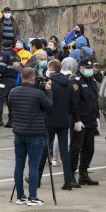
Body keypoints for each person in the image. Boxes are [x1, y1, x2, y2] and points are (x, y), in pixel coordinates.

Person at [10, 67, 52, 205]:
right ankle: (32, 197)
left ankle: (20, 196)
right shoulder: (38, 94)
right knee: (33, 166)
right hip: (35, 133)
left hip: (19, 132)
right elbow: (50, 108)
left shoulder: (13, 92)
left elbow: (11, 109)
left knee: (19, 165)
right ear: (33, 78)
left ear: (21, 77)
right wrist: (49, 92)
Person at [36, 60, 75, 190]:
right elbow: (73, 104)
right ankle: (68, 181)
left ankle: (37, 180)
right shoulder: (68, 83)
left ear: (51, 68)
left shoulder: (49, 83)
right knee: (64, 151)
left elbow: (44, 102)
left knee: (44, 150)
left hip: (51, 120)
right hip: (64, 120)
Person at [70, 58, 100, 187]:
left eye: (90, 68)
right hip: (80, 121)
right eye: (87, 68)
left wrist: (97, 116)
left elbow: (95, 100)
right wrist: (76, 120)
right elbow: (74, 103)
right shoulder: (76, 82)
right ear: (81, 69)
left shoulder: (92, 81)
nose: (90, 70)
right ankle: (70, 175)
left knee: (89, 149)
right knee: (75, 149)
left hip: (91, 120)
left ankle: (84, 174)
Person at [0, 50, 20, 128]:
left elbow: (2, 67)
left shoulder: (4, 54)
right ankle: (11, 121)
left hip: (5, 80)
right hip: (14, 81)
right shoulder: (17, 55)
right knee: (10, 100)